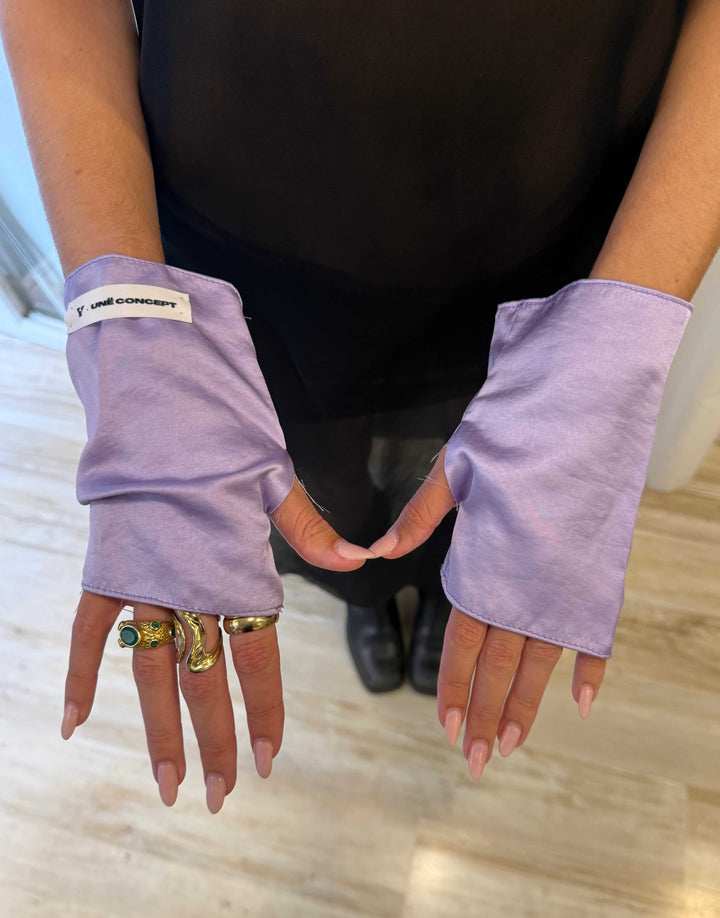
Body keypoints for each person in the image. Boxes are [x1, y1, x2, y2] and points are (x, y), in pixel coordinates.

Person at [2, 0, 718, 815]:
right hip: (246, 222)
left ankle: (445, 583)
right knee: (319, 485)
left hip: (545, 207)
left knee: (498, 480)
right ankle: (369, 593)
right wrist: (132, 321)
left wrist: (615, 338)